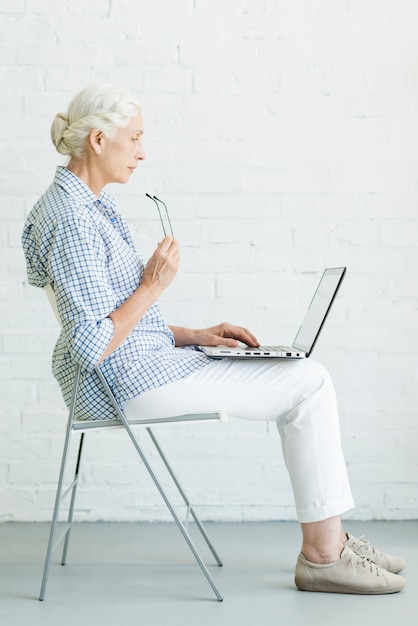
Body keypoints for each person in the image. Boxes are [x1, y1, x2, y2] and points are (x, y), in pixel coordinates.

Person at [22, 83, 405, 595]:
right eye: (134, 137)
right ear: (97, 140)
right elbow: (92, 344)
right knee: (309, 383)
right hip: (127, 382)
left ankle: (330, 539)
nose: (141, 149)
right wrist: (152, 285)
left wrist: (193, 335)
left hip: (142, 364)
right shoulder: (72, 220)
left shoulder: (86, 207)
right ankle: (323, 554)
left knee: (305, 377)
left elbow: (110, 321)